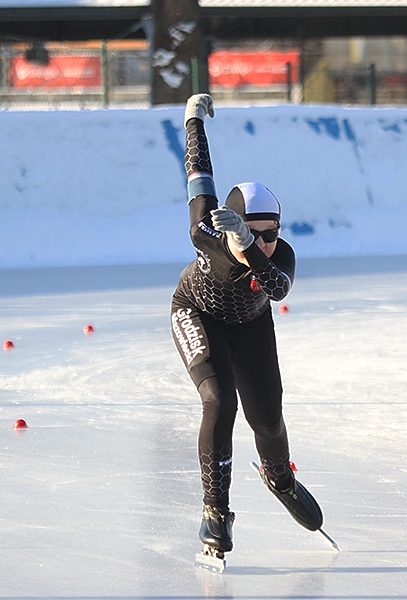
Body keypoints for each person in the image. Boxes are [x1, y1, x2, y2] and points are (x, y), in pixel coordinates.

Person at [171, 94, 322, 562]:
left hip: (252, 325)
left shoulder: (282, 257)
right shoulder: (204, 231)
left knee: (269, 418)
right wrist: (192, 119)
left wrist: (249, 245)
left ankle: (279, 476)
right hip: (197, 312)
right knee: (220, 400)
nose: (264, 243)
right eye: (252, 232)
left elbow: (276, 289)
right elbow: (199, 173)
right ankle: (216, 509)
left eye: (271, 233)